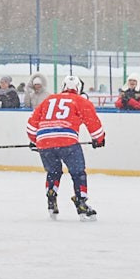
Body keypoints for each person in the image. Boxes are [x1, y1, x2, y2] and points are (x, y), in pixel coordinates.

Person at [27, 78, 105, 218]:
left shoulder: (49, 99)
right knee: (78, 172)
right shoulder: (80, 100)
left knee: (53, 171)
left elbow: (32, 126)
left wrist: (35, 140)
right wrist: (98, 139)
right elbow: (93, 122)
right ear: (79, 88)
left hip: (44, 141)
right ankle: (81, 201)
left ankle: (51, 195)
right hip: (67, 141)